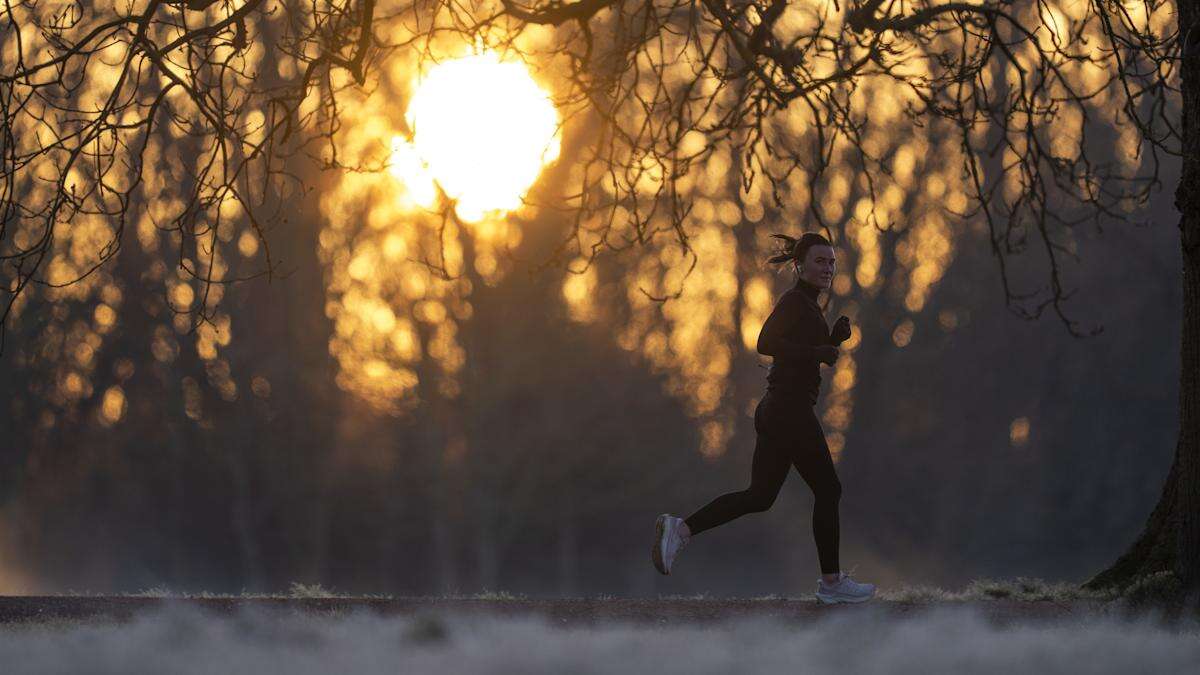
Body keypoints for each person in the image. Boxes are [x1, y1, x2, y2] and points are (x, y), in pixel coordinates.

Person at [651, 232, 876, 604]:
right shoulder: (794, 301)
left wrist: (831, 342)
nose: (828, 268)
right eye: (820, 261)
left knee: (759, 496)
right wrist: (817, 350)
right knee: (828, 489)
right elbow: (765, 343)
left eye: (832, 262)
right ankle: (832, 584)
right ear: (800, 265)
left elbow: (800, 353)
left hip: (777, 410)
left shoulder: (808, 305)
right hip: (788, 410)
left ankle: (682, 529)